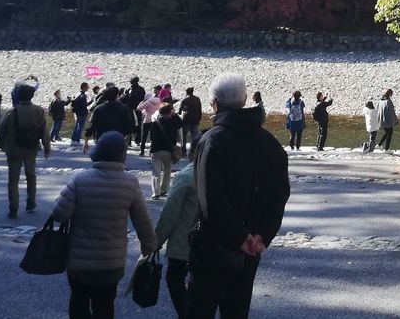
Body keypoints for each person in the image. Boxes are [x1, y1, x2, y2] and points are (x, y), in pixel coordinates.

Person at [187, 72, 289, 319]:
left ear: (215, 104)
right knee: (237, 310)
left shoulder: (211, 141)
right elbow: (279, 193)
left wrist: (238, 237)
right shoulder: (269, 142)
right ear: (244, 100)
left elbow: (211, 200)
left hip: (212, 246)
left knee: (199, 309)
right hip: (251, 248)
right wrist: (261, 235)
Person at [51, 131, 156, 319]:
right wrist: (149, 246)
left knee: (78, 301)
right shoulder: (130, 183)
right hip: (111, 262)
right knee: (105, 305)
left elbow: (59, 214)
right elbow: (143, 220)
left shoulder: (80, 180)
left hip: (79, 260)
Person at [154, 156, 200, 319]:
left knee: (175, 279)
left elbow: (170, 212)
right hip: (211, 242)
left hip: (184, 240)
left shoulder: (187, 175)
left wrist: (157, 240)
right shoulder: (221, 172)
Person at [0, 83, 51, 218]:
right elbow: (43, 131)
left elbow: (3, 129)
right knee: (31, 175)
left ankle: (13, 207)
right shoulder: (39, 111)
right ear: (32, 95)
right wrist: (47, 147)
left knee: (13, 179)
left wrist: (1, 144)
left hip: (14, 148)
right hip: (31, 147)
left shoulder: (11, 111)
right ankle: (31, 201)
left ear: (18, 95)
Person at [149, 101, 185, 200]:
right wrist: (175, 114)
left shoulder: (155, 123)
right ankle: (164, 189)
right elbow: (182, 123)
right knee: (167, 171)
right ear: (170, 112)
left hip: (156, 149)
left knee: (155, 172)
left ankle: (155, 192)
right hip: (169, 150)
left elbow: (152, 137)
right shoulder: (173, 122)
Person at [136, 90, 163, 157]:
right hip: (155, 120)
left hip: (147, 120)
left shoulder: (148, 102)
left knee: (144, 136)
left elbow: (139, 109)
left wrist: (141, 102)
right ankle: (152, 151)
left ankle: (142, 151)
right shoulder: (159, 101)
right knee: (153, 136)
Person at [179, 86, 202, 154]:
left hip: (187, 121)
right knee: (195, 136)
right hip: (195, 120)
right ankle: (194, 151)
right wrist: (199, 118)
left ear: (186, 92)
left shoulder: (185, 100)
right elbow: (199, 110)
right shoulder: (197, 99)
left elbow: (182, 111)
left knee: (184, 136)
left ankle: (183, 151)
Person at [71, 82, 91, 148]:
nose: (88, 88)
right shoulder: (82, 95)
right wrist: (91, 102)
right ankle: (77, 140)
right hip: (81, 113)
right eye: (87, 87)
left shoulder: (78, 94)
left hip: (78, 113)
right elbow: (83, 106)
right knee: (80, 127)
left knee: (76, 126)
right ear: (84, 87)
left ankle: (73, 140)